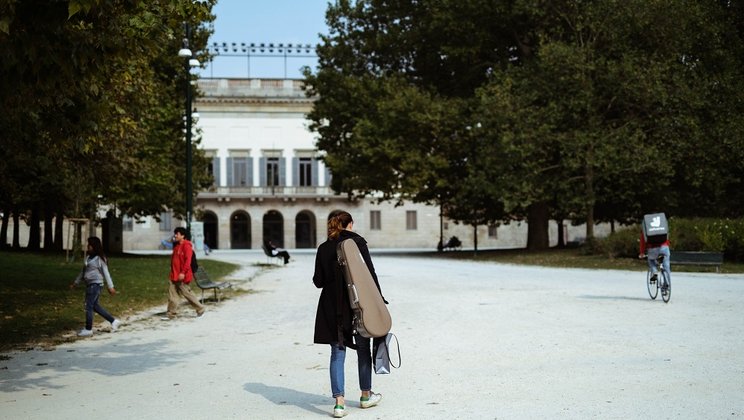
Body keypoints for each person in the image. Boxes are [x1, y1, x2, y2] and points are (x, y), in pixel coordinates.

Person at [312, 211, 385, 418]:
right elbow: (370, 274)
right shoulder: (357, 242)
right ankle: (365, 396)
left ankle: (339, 404)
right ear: (350, 224)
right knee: (363, 348)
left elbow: (318, 281)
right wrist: (379, 300)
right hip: (358, 301)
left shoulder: (324, 247)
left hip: (333, 304)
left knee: (337, 351)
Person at [70, 237, 121, 336]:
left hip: (96, 285)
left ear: (94, 246)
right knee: (95, 306)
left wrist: (111, 286)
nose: (87, 247)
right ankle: (114, 321)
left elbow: (106, 273)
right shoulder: (88, 258)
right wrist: (75, 283)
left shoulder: (100, 259)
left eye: (89, 245)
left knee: (88, 306)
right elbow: (83, 272)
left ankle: (88, 329)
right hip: (90, 285)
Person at [163, 227, 205, 320]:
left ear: (183, 236)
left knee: (187, 294)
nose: (175, 236)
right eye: (175, 234)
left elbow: (188, 261)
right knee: (172, 295)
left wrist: (183, 273)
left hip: (182, 275)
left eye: (177, 234)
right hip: (174, 275)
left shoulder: (187, 246)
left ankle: (200, 308)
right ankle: (171, 314)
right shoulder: (176, 245)